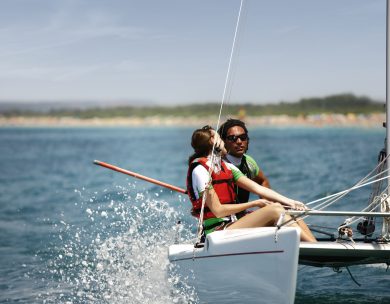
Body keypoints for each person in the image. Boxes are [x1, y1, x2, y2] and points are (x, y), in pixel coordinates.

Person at [186, 125, 317, 242]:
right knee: (276, 210)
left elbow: (259, 189)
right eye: (221, 138)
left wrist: (291, 202)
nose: (224, 142)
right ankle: (313, 248)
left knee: (287, 209)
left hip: (233, 224)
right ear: (213, 142)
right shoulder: (200, 170)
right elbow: (218, 211)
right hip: (216, 232)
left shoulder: (227, 167)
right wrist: (255, 203)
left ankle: (315, 245)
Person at [218, 119, 269, 205]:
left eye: (243, 137)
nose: (239, 142)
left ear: (247, 140)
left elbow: (262, 181)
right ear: (223, 142)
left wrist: (266, 206)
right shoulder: (216, 165)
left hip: (242, 215)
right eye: (232, 138)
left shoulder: (248, 162)